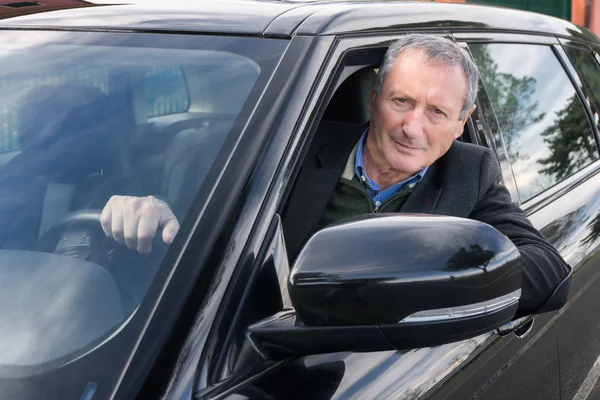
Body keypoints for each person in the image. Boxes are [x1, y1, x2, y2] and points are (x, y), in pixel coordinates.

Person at [101, 34, 571, 317]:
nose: (412, 127)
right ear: (374, 97)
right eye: (401, 101)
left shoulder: (471, 172)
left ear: (462, 121)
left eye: (436, 112)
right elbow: (210, 223)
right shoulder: (296, 146)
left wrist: (432, 276)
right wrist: (154, 212)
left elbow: (548, 271)